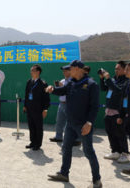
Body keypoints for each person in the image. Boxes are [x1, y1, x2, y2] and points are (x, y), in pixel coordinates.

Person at [46, 60, 102, 188]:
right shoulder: (71, 82)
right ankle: (64, 174)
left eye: (70, 69)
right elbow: (63, 90)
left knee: (88, 152)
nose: (68, 71)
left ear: (77, 69)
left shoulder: (91, 84)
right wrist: (53, 89)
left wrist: (89, 123)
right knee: (66, 148)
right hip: (70, 124)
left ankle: (97, 180)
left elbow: (94, 107)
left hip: (83, 125)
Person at [99, 61, 130, 163]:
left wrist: (108, 79)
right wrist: (102, 78)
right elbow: (103, 88)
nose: (116, 70)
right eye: (115, 68)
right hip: (109, 109)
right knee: (110, 131)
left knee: (120, 133)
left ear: (125, 70)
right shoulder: (113, 79)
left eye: (118, 69)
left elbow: (118, 91)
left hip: (118, 111)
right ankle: (115, 151)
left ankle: (125, 153)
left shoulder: (126, 81)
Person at [23, 64, 50, 150]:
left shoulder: (43, 83)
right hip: (30, 108)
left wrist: (45, 108)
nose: (31, 72)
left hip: (38, 109)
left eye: (33, 70)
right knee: (31, 126)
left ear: (38, 72)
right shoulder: (29, 82)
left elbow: (46, 97)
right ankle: (32, 142)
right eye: (31, 70)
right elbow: (26, 95)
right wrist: (25, 105)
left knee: (38, 127)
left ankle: (38, 144)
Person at [49, 65, 71, 143]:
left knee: (70, 122)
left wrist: (63, 87)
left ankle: (73, 139)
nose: (64, 72)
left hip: (70, 104)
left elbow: (69, 91)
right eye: (63, 71)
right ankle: (58, 136)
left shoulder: (73, 81)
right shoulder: (62, 81)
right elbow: (60, 93)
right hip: (61, 103)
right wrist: (56, 87)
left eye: (66, 71)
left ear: (70, 71)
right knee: (59, 121)